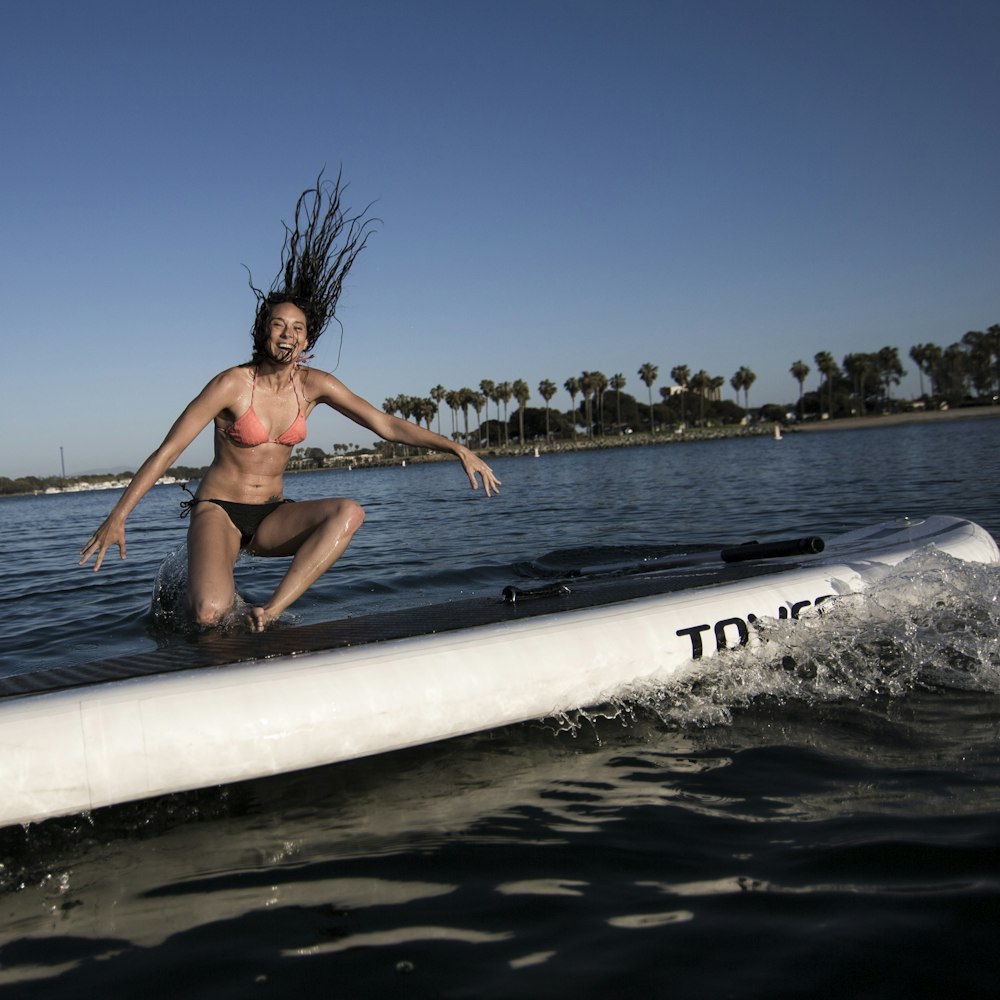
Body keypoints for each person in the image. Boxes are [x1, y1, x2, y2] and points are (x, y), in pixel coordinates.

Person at [80, 173, 500, 632]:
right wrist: (118, 515)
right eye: (279, 325)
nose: (288, 334)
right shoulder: (231, 385)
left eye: (297, 329)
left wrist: (457, 448)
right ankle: (198, 602)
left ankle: (269, 612)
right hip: (218, 509)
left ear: (306, 340)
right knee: (207, 613)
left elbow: (386, 425)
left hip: (271, 517)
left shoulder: (315, 385)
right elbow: (168, 451)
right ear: (264, 331)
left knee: (349, 512)